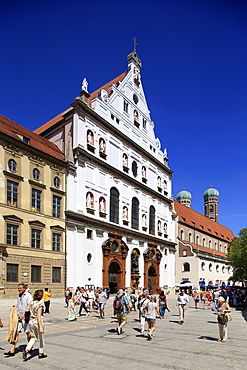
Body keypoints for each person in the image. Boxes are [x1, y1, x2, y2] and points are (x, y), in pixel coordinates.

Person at [4, 283, 32, 356]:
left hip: (26, 317)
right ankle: (12, 350)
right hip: (19, 316)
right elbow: (20, 303)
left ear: (24, 288)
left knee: (27, 332)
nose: (19, 289)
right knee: (16, 332)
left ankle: (29, 346)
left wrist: (24, 313)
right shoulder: (18, 295)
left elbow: (29, 305)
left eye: (20, 288)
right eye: (18, 288)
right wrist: (17, 305)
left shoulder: (28, 295)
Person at [22, 290, 47, 360]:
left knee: (33, 338)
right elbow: (38, 316)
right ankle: (41, 352)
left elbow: (26, 310)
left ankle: (26, 349)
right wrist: (41, 327)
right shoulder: (40, 304)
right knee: (41, 338)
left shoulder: (31, 303)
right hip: (37, 322)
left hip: (31, 322)